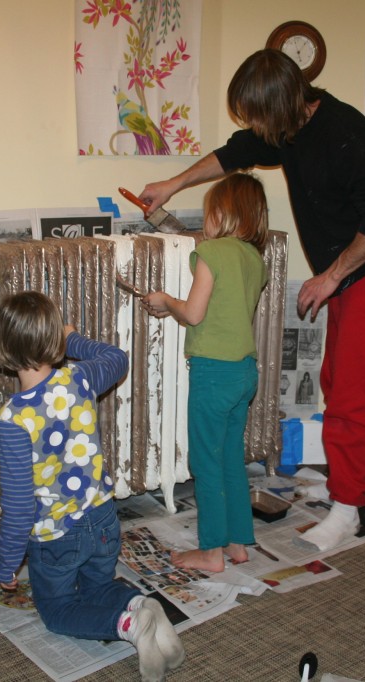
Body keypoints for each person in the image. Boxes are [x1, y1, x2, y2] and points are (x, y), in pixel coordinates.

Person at [138, 49, 365, 553]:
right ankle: (340, 488)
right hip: (347, 276)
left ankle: (349, 510)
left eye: (258, 116)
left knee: (356, 391)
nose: (255, 127)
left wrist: (330, 277)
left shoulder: (346, 134)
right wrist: (173, 184)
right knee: (334, 380)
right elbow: (235, 152)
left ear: (285, 103)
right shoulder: (288, 129)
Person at [0, 292, 184, 682]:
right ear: (54, 342)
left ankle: (129, 627)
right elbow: (117, 358)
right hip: (103, 520)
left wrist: (7, 564)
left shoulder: (13, 418)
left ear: (3, 347)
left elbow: (18, 506)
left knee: (58, 611)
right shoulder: (78, 378)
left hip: (57, 537)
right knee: (99, 586)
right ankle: (142, 606)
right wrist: (74, 338)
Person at [141, 172, 269, 572]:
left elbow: (194, 313)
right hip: (245, 372)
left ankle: (211, 552)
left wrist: (165, 301)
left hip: (213, 372)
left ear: (222, 214)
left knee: (206, 463)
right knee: (231, 458)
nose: (205, 220)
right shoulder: (254, 259)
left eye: (208, 212)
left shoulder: (212, 254)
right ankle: (237, 542)